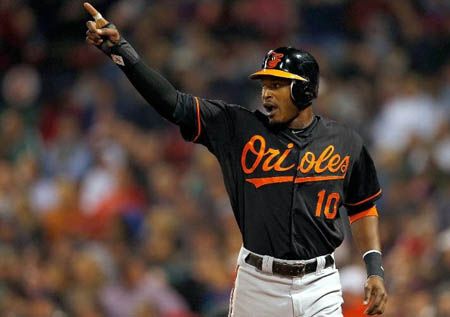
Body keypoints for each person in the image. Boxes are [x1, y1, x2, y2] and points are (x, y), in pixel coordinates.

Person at [83, 2, 388, 316]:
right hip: (258, 284)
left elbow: (363, 207)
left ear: (306, 91)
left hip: (319, 282)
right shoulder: (238, 128)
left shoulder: (345, 142)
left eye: (278, 85)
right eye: (265, 85)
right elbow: (172, 103)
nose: (267, 94)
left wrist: (374, 270)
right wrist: (122, 53)